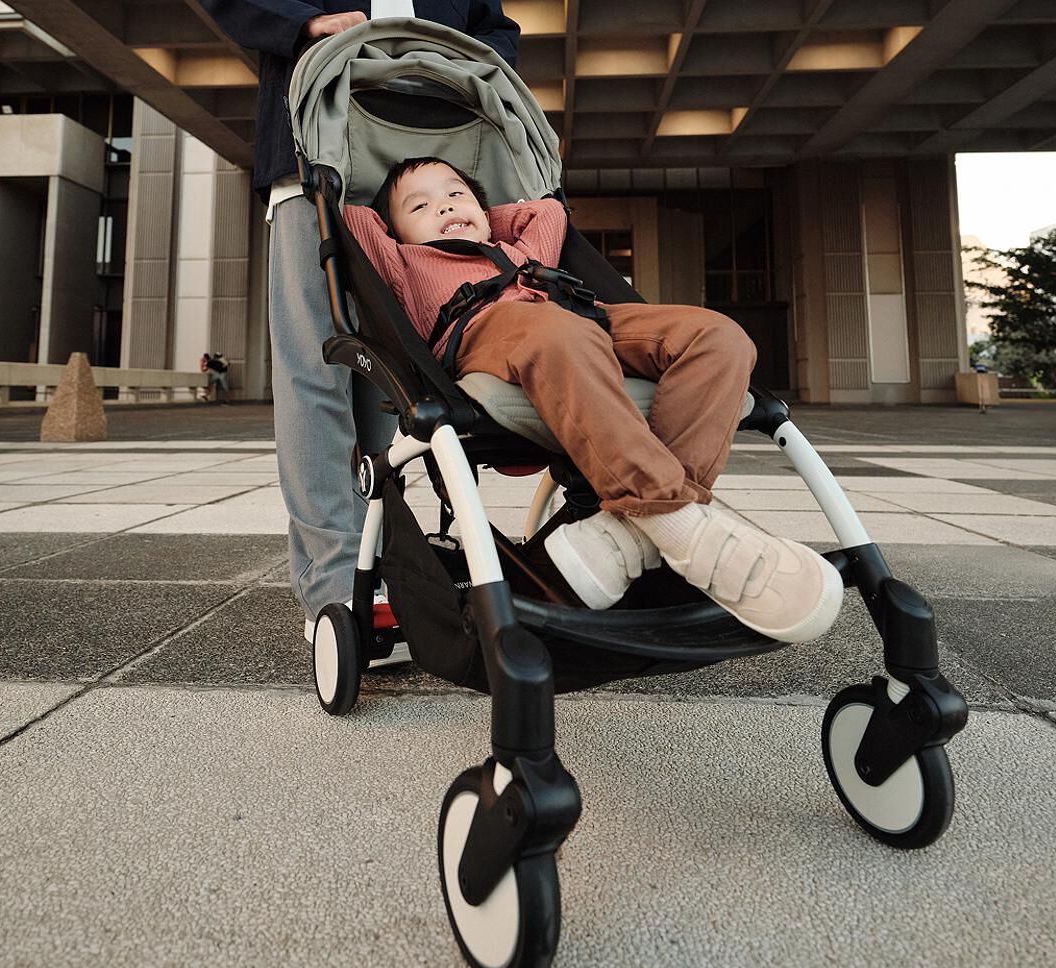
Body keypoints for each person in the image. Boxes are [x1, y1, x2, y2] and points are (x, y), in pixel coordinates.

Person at [189, 0, 520, 648]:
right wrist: (303, 23)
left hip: (412, 185)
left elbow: (498, 38)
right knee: (314, 379)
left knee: (402, 387)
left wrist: (460, 77)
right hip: (313, 163)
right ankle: (334, 592)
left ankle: (397, 576)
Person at [343, 158, 842, 642]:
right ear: (397, 232)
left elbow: (549, 210)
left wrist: (484, 216)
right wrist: (413, 219)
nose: (446, 206)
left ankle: (637, 530)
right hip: (486, 333)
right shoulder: (402, 261)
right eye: (421, 206)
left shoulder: (518, 248)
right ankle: (679, 524)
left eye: (457, 193)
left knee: (721, 337)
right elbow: (356, 222)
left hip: (585, 320)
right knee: (555, 330)